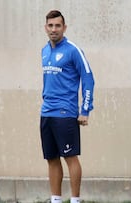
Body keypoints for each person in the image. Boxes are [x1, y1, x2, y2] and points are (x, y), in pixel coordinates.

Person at [40, 10, 94, 203]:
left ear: (64, 27)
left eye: (58, 25)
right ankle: (55, 199)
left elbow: (88, 79)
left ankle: (75, 200)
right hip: (46, 112)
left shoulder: (73, 50)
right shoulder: (44, 51)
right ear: (45, 27)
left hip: (66, 113)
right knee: (52, 158)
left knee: (70, 157)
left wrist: (85, 110)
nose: (54, 29)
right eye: (50, 25)